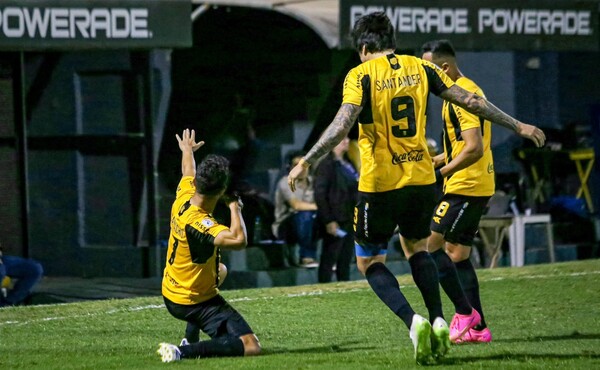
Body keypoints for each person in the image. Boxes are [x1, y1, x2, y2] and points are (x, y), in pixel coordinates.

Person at [287, 12, 545, 364]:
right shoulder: (421, 68)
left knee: (369, 262)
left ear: (364, 47)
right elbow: (470, 100)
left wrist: (307, 160)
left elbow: (341, 123)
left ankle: (414, 322)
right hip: (422, 180)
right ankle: (440, 319)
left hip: (380, 185)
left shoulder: (360, 75)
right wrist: (518, 125)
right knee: (418, 249)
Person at [157, 129, 261, 363]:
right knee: (250, 345)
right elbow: (238, 240)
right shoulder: (201, 224)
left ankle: (190, 338)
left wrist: (187, 151)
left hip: (171, 288)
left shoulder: (185, 195)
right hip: (191, 300)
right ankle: (181, 352)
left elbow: (188, 171)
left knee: (221, 271)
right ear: (221, 190)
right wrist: (235, 206)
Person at [422, 39, 495, 343]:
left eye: (429, 69)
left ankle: (465, 313)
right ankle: (478, 329)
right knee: (458, 254)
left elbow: (474, 148)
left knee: (431, 245)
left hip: (467, 185)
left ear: (445, 67)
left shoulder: (462, 95)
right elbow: (461, 146)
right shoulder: (461, 91)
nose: (425, 77)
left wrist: (440, 173)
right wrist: (434, 159)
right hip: (471, 182)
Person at [314, 136, 359, 283]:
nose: (347, 141)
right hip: (336, 218)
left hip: (350, 216)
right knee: (330, 255)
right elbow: (320, 194)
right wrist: (329, 220)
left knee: (345, 257)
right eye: (342, 140)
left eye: (347, 139)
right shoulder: (326, 166)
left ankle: (344, 284)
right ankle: (324, 285)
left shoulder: (349, 163)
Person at [272, 151, 319, 268]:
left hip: (311, 221)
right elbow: (296, 206)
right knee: (305, 215)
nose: (301, 169)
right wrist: (320, 207)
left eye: (304, 165)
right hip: (286, 224)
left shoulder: (314, 181)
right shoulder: (285, 182)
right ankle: (306, 256)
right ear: (290, 167)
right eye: (296, 165)